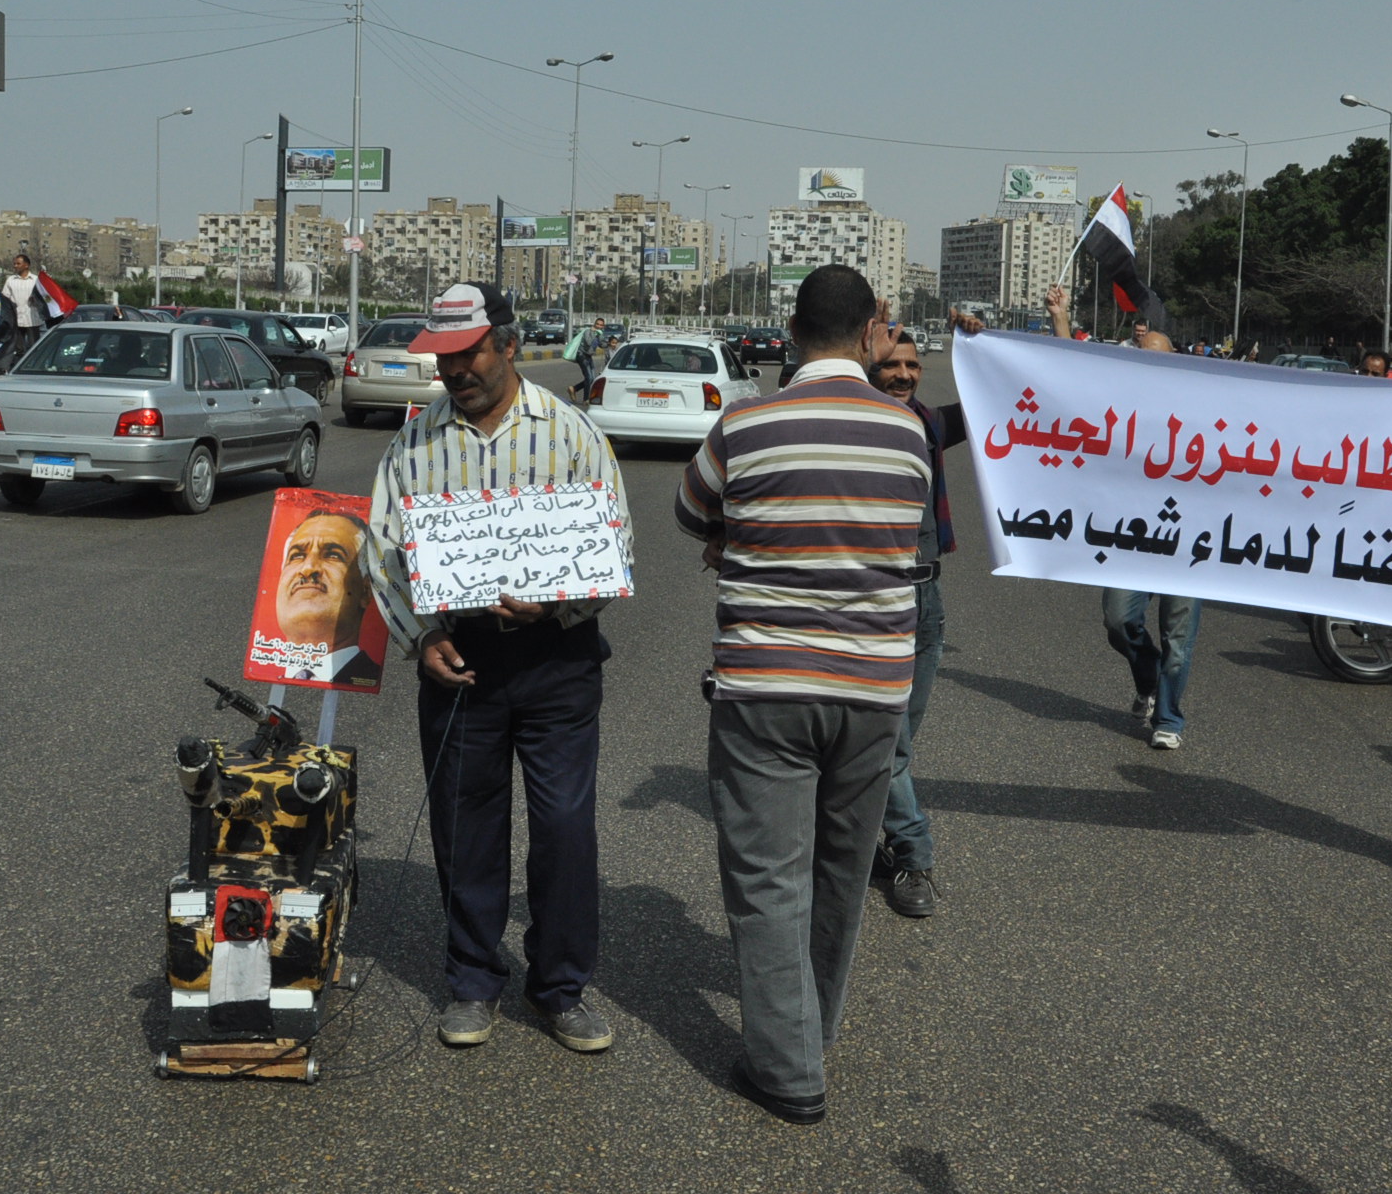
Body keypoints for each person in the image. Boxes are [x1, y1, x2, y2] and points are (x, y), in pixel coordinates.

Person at [675, 265, 929, 1125]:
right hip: (874, 689)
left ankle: (788, 1071)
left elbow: (690, 511)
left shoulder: (745, 423)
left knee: (767, 878)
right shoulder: (908, 433)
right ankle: (811, 1031)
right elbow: (898, 531)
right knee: (841, 872)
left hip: (767, 687)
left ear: (791, 331)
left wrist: (739, 535)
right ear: (870, 334)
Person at [364, 282, 632, 1054]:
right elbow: (382, 549)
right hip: (459, 659)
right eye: (443, 358)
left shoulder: (573, 434)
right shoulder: (413, 445)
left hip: (558, 660)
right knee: (465, 826)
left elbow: (615, 544)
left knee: (564, 829)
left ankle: (560, 988)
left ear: (510, 347)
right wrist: (421, 638)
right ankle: (473, 980)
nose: (454, 370)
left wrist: (556, 605)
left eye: (469, 353)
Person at [1043, 285, 1203, 746]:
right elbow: (1072, 380)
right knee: (1118, 620)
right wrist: (1060, 319)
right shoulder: (1118, 409)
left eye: (1158, 357)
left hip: (1189, 541)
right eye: (1141, 356)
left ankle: (1168, 720)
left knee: (1178, 639)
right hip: (1131, 536)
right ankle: (1146, 672)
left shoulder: (1202, 409)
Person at [866, 321, 978, 918]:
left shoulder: (928, 424)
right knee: (888, 742)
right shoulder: (849, 425)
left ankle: (862, 837)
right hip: (874, 604)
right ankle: (914, 853)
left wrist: (983, 346)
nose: (904, 375)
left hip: (926, 602)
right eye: (891, 365)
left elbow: (998, 403)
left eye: (912, 366)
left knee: (893, 744)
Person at [273, 509, 382, 687]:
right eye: (297, 556)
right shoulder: (266, 672)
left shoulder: (369, 678)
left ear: (365, 590)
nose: (308, 568)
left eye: (333, 555)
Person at [2, 253, 45, 364]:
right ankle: (18, 366)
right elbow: (5, 298)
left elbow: (44, 298)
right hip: (16, 320)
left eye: (18, 264)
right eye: (14, 264)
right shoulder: (11, 280)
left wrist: (36, 299)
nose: (15, 266)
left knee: (33, 348)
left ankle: (33, 365)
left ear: (26, 265)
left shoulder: (36, 280)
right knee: (19, 349)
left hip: (32, 319)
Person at [566, 316, 606, 400]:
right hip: (582, 355)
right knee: (589, 377)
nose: (598, 326)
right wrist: (594, 333)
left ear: (603, 326)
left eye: (601, 325)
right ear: (594, 324)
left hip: (588, 356)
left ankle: (574, 389)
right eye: (597, 324)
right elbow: (588, 342)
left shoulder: (599, 334)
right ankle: (586, 399)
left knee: (592, 378)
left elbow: (602, 344)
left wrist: (609, 343)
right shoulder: (588, 331)